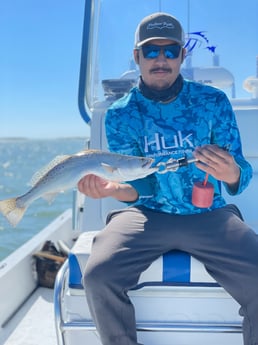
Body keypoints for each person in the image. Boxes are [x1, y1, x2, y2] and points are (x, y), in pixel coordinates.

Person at [78, 12, 258, 345]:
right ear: (137, 57)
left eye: (170, 51)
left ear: (181, 56)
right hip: (146, 215)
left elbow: (242, 173)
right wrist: (111, 189)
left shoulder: (213, 102)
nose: (160, 59)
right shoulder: (121, 114)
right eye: (150, 51)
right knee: (98, 274)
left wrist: (230, 172)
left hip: (210, 215)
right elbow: (140, 187)